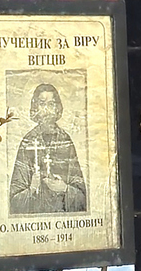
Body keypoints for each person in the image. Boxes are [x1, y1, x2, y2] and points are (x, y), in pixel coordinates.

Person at [8, 78, 88, 218]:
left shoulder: (65, 140)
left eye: (51, 104)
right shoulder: (28, 142)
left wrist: (64, 188)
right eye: (42, 103)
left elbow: (82, 197)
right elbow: (14, 201)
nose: (46, 110)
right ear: (35, 108)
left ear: (57, 108)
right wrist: (32, 188)